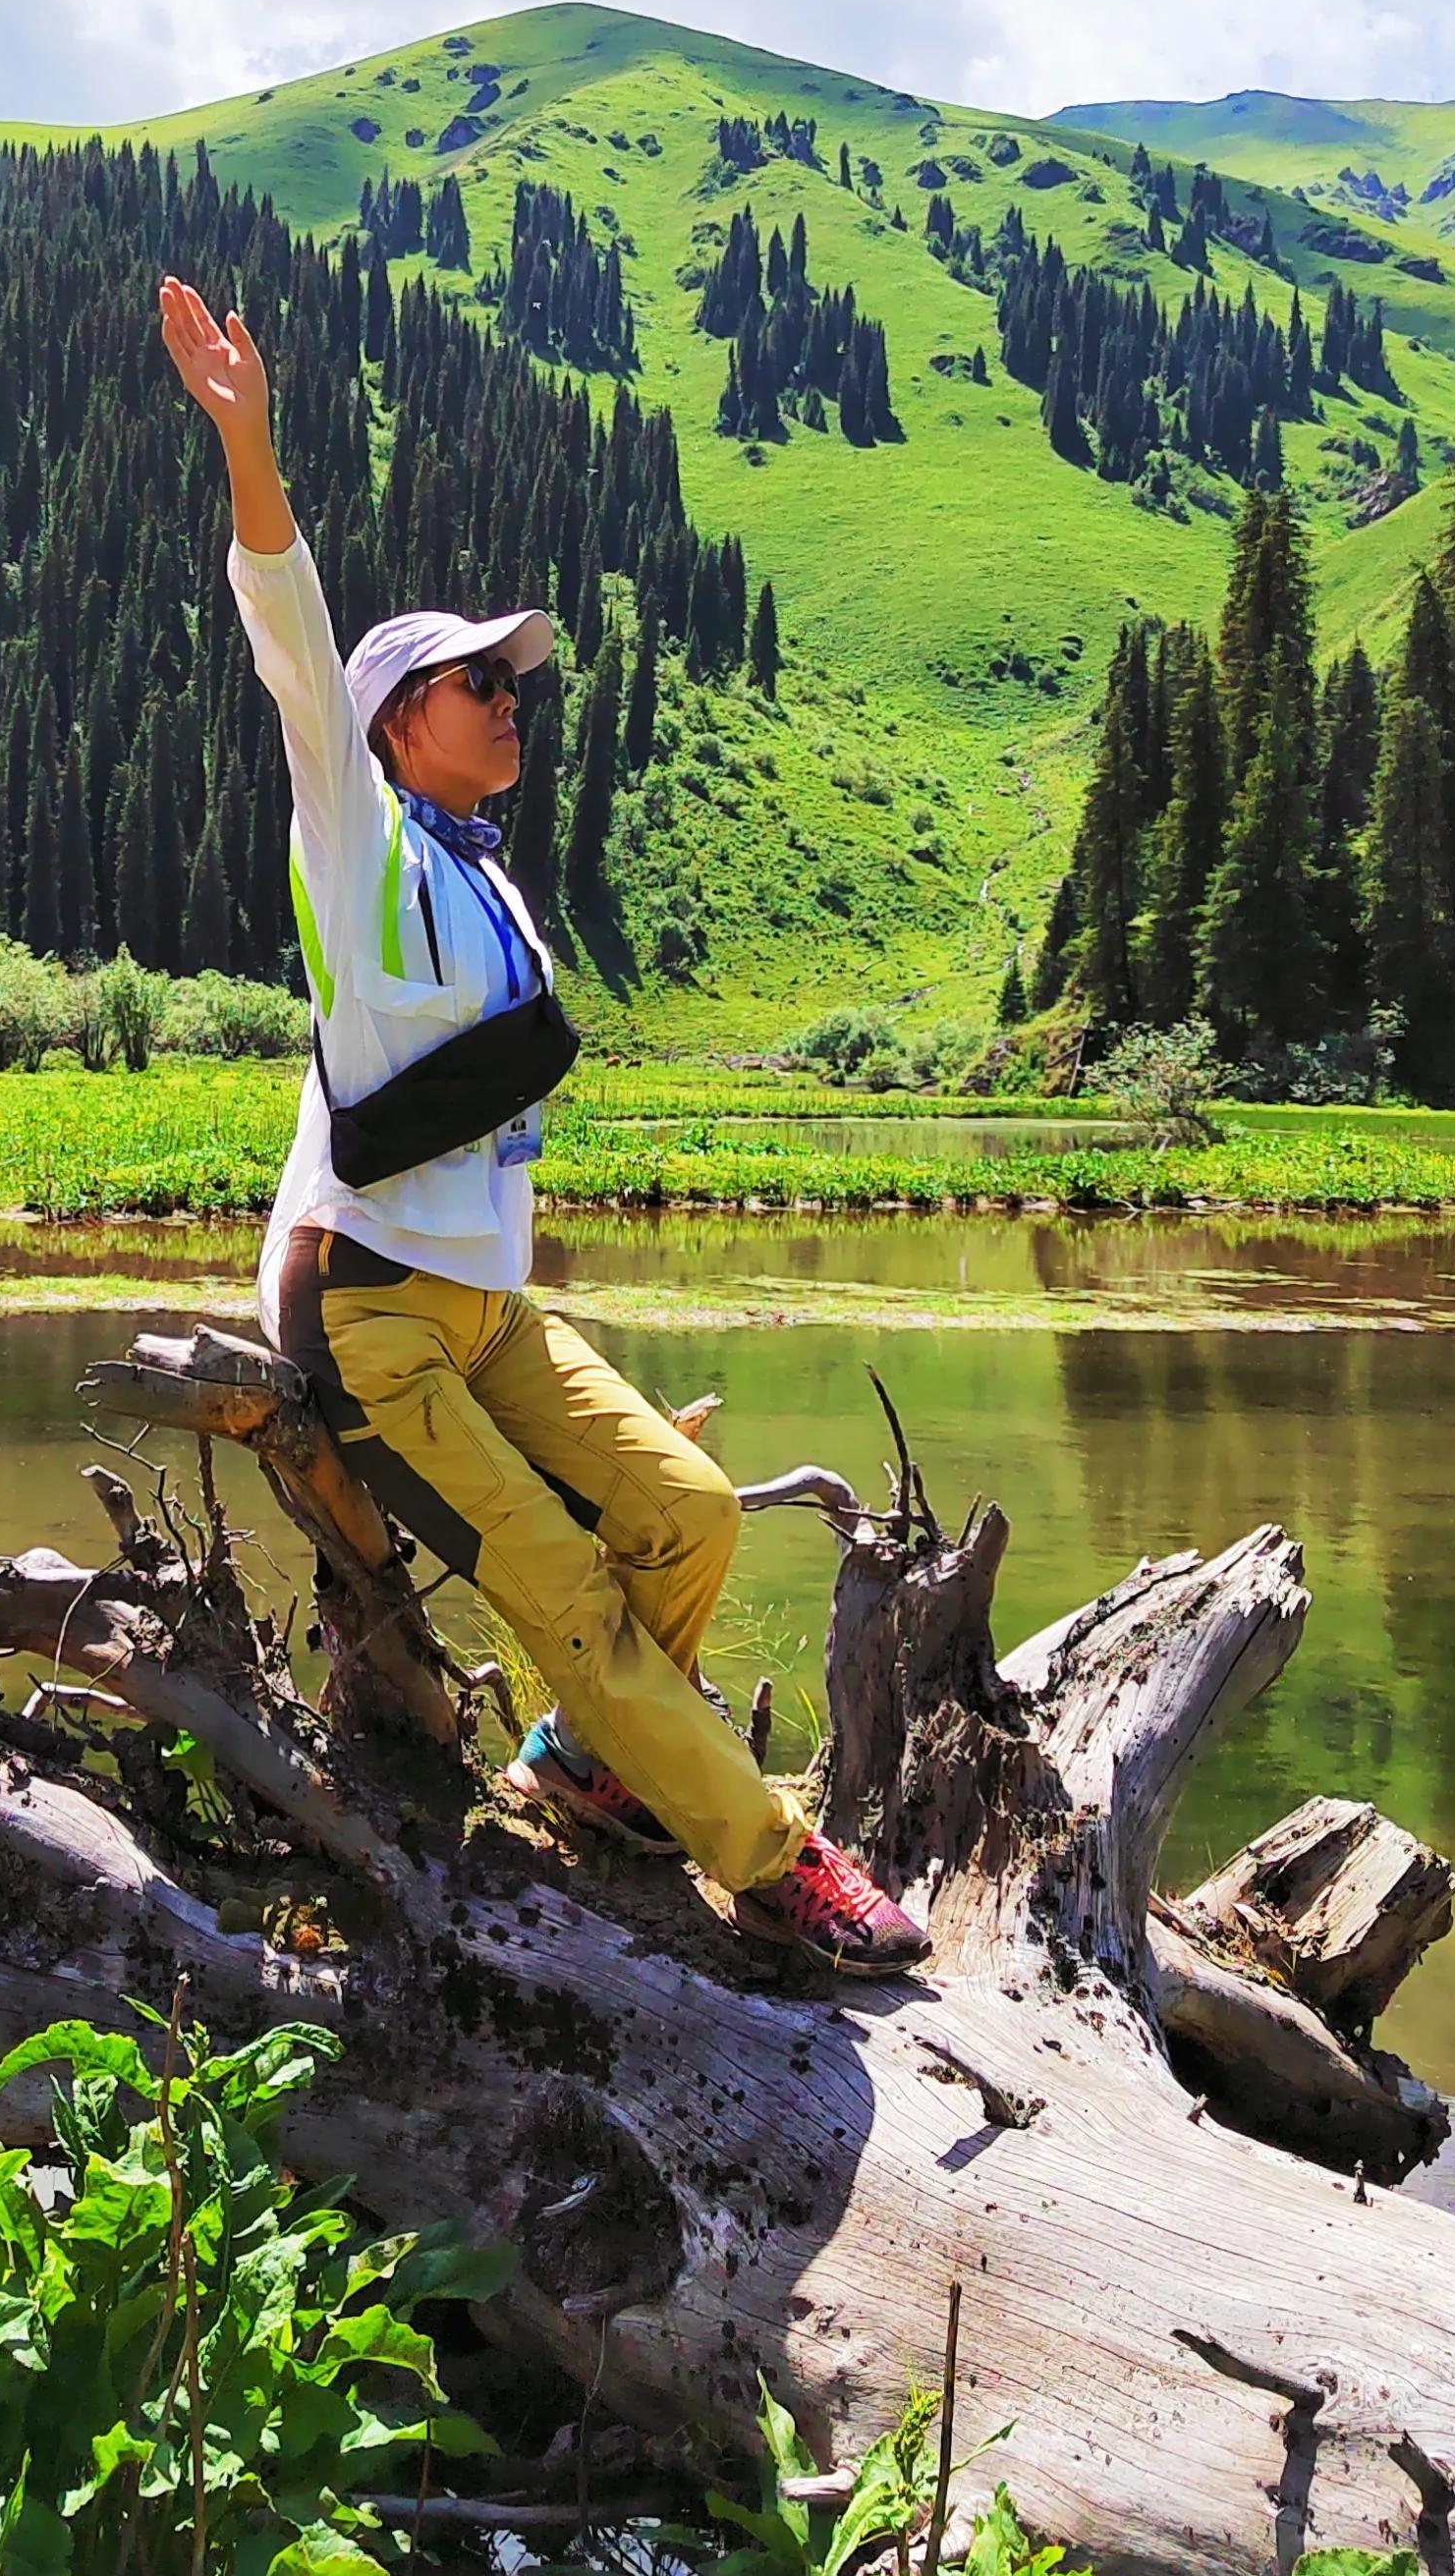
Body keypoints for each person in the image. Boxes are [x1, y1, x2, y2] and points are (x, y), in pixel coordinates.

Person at [158, 270, 927, 1974]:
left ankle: (585, 1769)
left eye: (516, 684)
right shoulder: (353, 841)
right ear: (390, 725)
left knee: (689, 1514)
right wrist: (249, 441)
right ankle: (773, 1857)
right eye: (474, 684)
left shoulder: (486, 880)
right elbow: (290, 644)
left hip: (488, 1307)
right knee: (564, 1592)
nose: (511, 703)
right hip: (376, 1320)